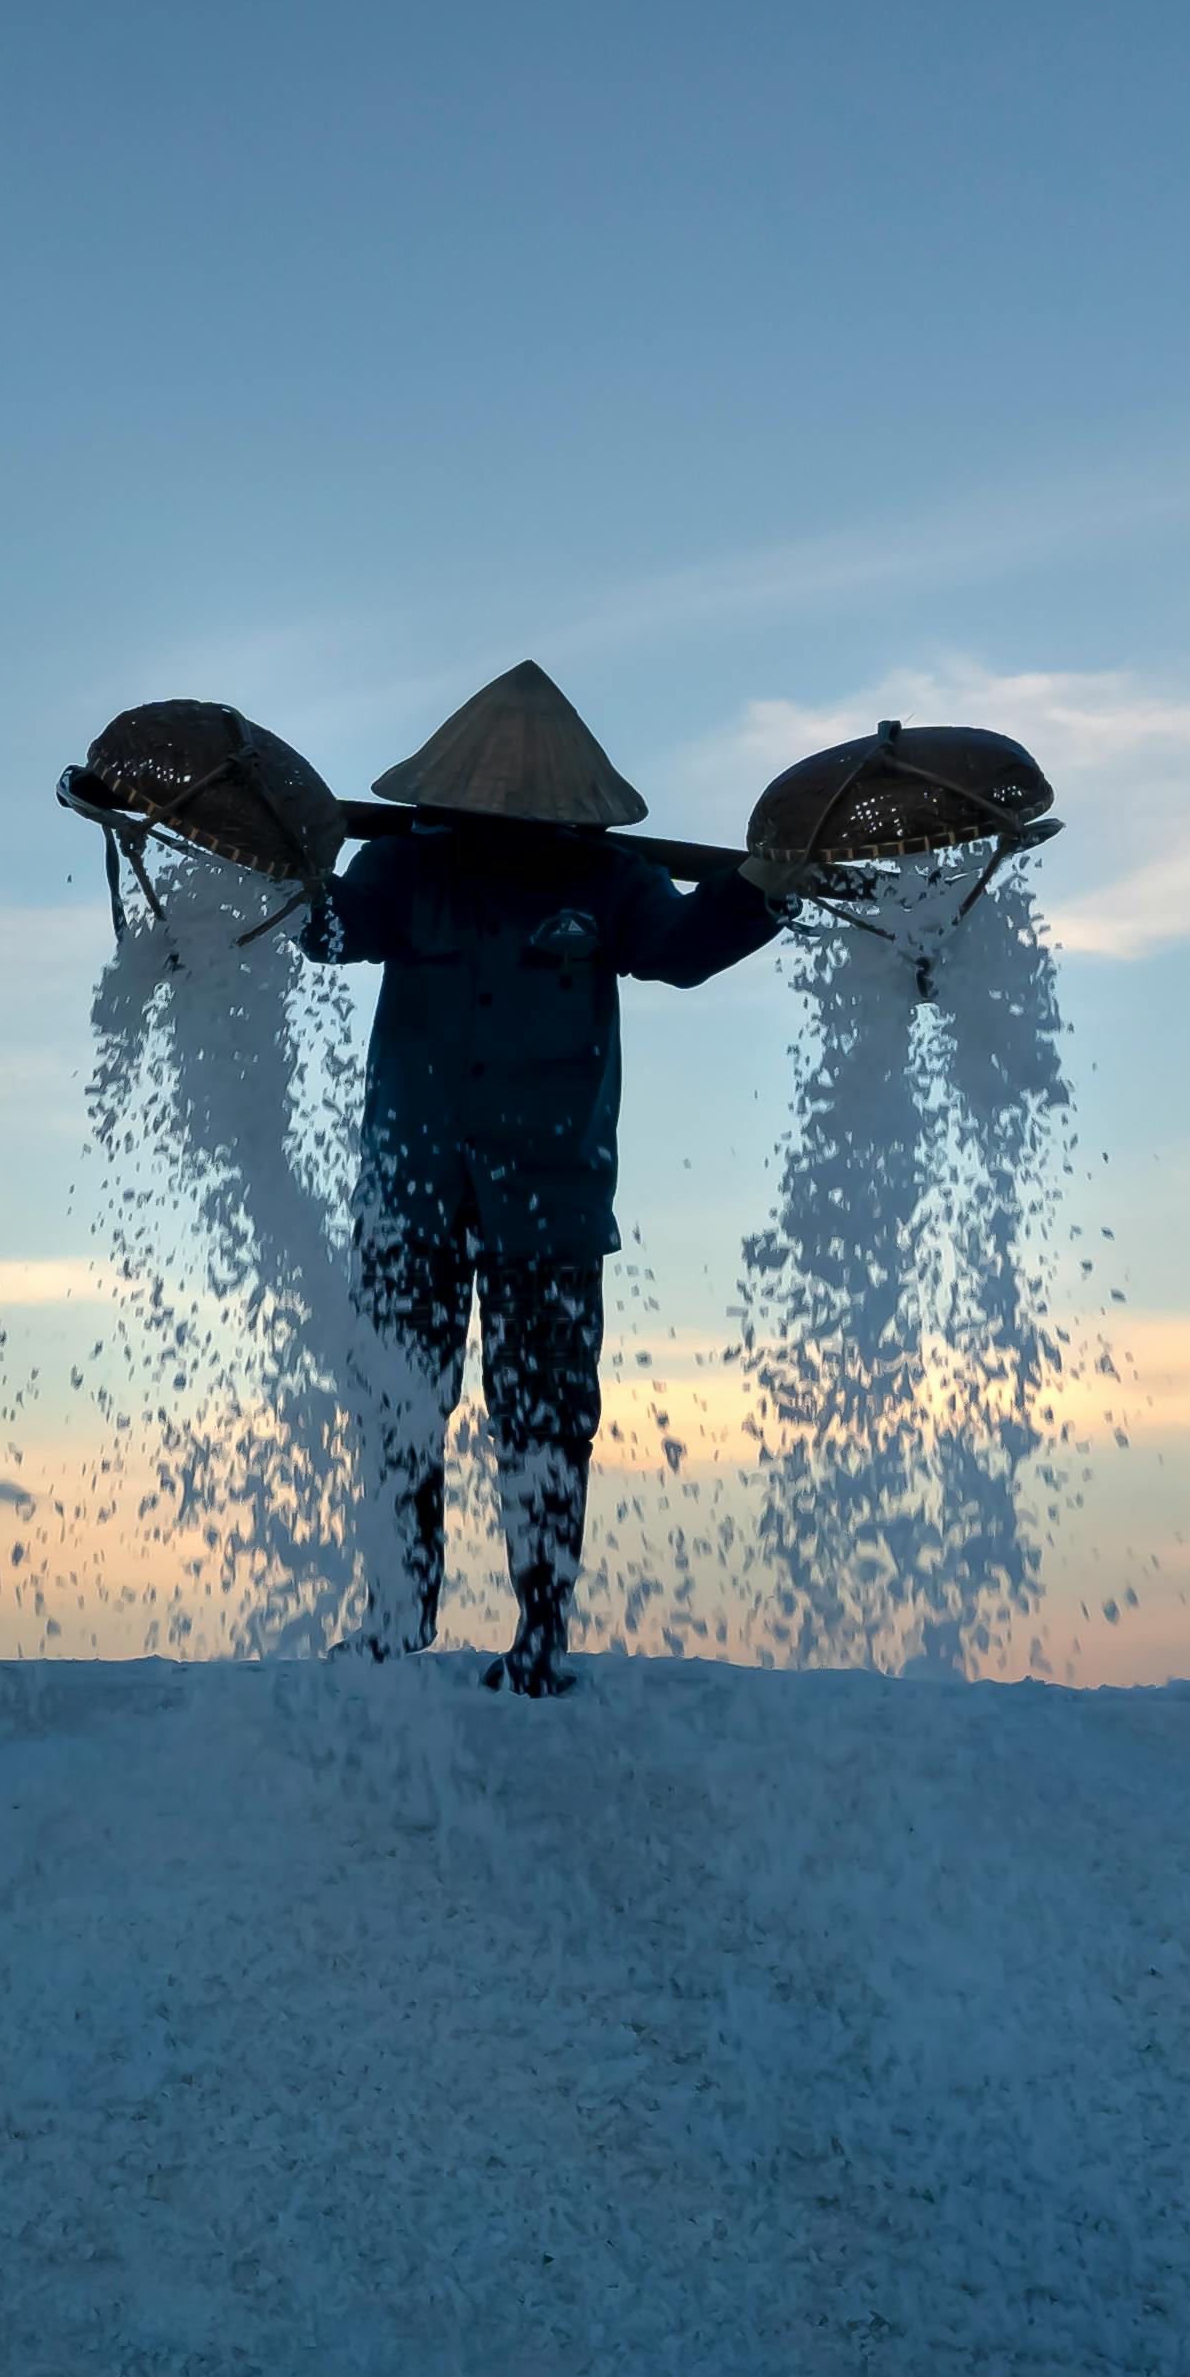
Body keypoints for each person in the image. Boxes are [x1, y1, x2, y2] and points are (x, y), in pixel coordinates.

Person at [301, 660, 782, 1692]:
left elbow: (686, 947)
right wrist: (269, 868)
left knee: (546, 1419)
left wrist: (770, 880)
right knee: (394, 1409)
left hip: (551, 1202)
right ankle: (396, 1613)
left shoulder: (608, 883)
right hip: (410, 1193)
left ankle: (540, 1632)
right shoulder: (404, 869)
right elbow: (330, 929)